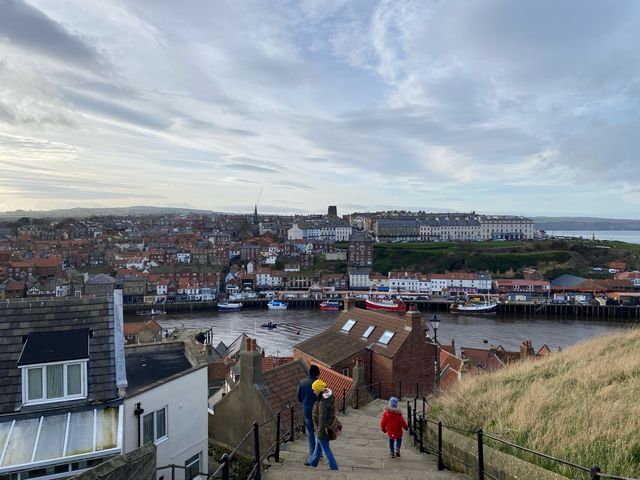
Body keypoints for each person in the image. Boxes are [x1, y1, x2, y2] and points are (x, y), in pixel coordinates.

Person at [306, 379, 339, 470]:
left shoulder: (322, 404)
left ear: (319, 390)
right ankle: (312, 462)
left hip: (323, 429)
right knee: (318, 445)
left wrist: (319, 432)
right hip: (321, 428)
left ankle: (334, 467)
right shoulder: (325, 398)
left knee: (326, 448)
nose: (313, 391)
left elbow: (322, 420)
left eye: (314, 390)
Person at [297, 364, 320, 456]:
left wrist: (305, 402)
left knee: (310, 431)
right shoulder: (320, 384)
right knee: (319, 430)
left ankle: (312, 452)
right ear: (318, 374)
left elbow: (299, 397)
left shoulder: (302, 383)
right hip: (318, 409)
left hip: (306, 408)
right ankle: (319, 452)